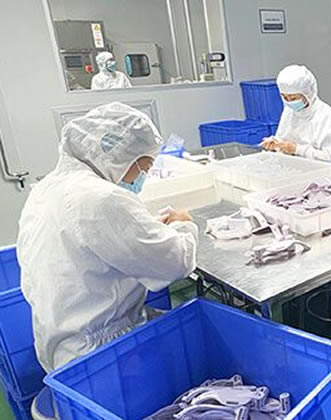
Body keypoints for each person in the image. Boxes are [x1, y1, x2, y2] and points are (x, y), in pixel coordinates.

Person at [17, 102, 198, 372]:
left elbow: (93, 241)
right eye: (144, 168)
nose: (142, 178)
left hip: (60, 345)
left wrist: (142, 228)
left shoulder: (46, 188)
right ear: (120, 157)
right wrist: (184, 225)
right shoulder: (102, 198)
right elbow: (175, 263)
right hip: (103, 353)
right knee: (198, 338)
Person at [261, 65, 331, 162]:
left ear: (308, 94)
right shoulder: (289, 111)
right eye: (285, 97)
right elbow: (283, 138)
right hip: (292, 167)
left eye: (294, 98)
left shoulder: (326, 116)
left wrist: (297, 149)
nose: (289, 102)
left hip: (318, 169)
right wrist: (276, 144)